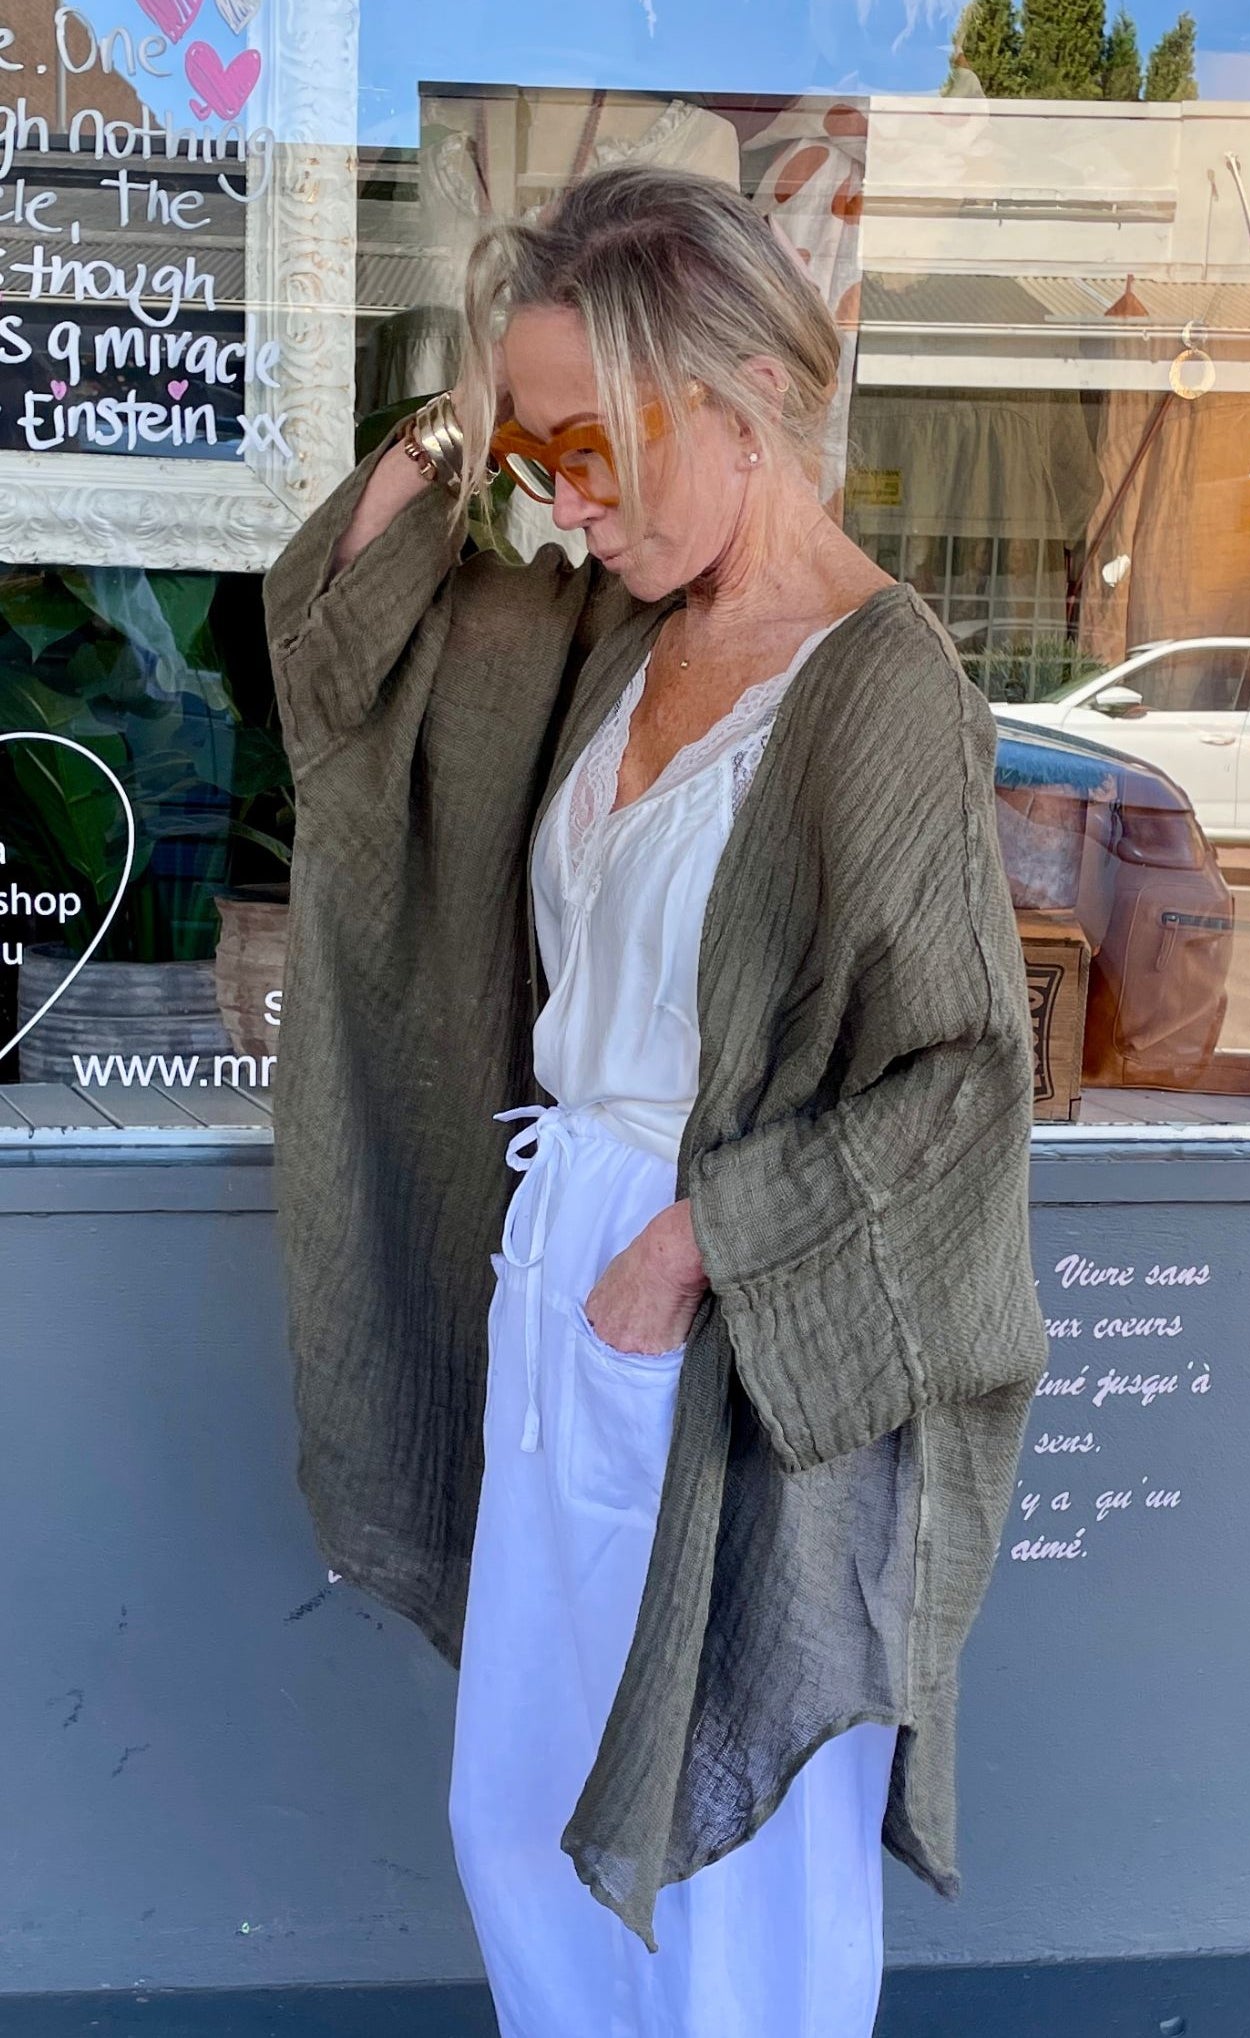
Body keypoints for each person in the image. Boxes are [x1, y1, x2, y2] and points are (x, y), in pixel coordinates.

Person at [264, 163, 1048, 2038]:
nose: (565, 499)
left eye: (596, 444)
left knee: (723, 1866)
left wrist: (704, 1242)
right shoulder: (616, 635)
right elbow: (347, 637)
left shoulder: (879, 690)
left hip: (729, 1316)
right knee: (520, 1804)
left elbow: (962, 1083)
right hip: (566, 1265)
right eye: (540, 451)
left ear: (746, 395)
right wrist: (467, 413)